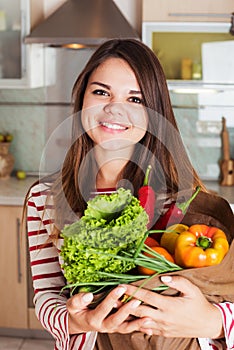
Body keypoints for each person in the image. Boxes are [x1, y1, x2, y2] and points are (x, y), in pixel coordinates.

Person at [26, 38, 234, 350]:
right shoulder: (43, 200)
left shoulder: (191, 202)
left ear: (154, 112)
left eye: (135, 100)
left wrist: (212, 322)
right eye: (100, 92)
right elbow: (46, 296)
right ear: (81, 99)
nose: (115, 108)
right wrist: (78, 320)